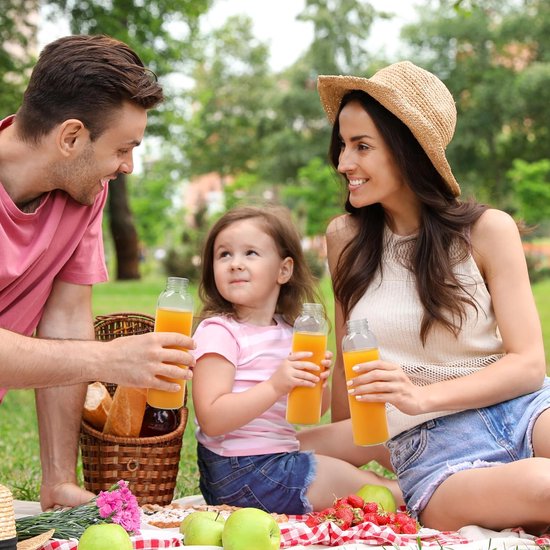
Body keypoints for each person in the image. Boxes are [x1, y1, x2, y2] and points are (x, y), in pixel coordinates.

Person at [317, 61, 549, 534]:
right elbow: (349, 369)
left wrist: (420, 397)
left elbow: (527, 364)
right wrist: (273, 443)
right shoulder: (344, 240)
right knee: (545, 487)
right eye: (343, 145)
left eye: (362, 146)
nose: (343, 163)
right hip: (433, 452)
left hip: (523, 411)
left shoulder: (487, 231)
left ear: (408, 151)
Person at [0, 35, 195, 511]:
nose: (128, 165)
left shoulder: (85, 193)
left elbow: (66, 323)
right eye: (124, 148)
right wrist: (106, 360)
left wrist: (59, 480)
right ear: (71, 137)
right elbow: (83, 356)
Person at [191, 205, 401, 515]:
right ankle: (436, 494)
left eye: (250, 253)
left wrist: (317, 383)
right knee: (377, 489)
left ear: (284, 270)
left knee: (379, 433)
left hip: (276, 453)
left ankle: (431, 468)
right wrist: (276, 385)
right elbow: (211, 418)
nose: (235, 264)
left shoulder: (291, 334)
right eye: (224, 255)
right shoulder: (219, 332)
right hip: (241, 473)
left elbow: (314, 411)